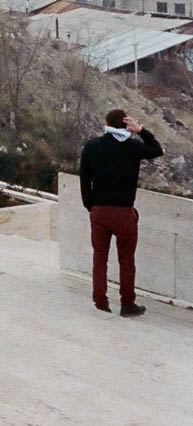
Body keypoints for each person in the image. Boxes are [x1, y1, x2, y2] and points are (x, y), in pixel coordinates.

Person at [79, 108, 163, 317]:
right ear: (126, 125)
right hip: (124, 213)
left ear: (106, 123)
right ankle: (127, 304)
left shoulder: (92, 146)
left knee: (100, 259)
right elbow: (156, 149)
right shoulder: (133, 146)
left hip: (99, 212)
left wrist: (90, 206)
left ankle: (101, 302)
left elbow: (84, 180)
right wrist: (141, 130)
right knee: (126, 260)